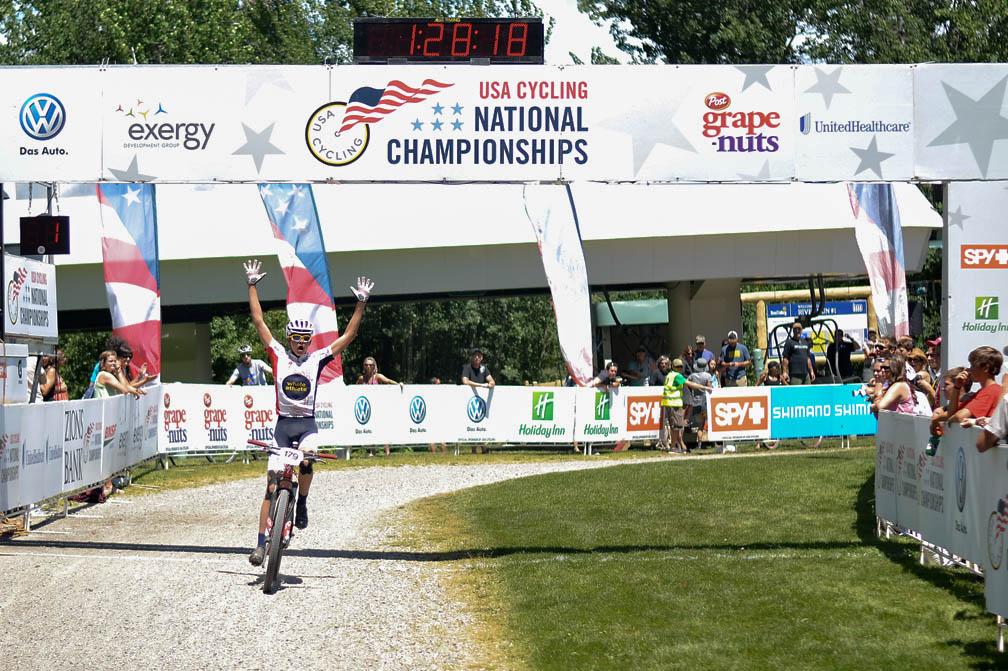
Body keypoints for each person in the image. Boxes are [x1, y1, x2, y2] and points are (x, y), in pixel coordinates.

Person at [243, 258, 374, 567]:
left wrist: (360, 304)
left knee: (307, 462)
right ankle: (261, 544)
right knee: (272, 483)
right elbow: (259, 322)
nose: (301, 344)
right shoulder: (277, 354)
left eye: (305, 339)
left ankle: (301, 503)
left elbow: (348, 338)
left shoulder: (316, 359)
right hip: (282, 426)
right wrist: (251, 286)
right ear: (289, 339)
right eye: (296, 339)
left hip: (307, 427)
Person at [943, 346, 1004, 427]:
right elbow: (951, 413)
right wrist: (957, 387)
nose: (969, 370)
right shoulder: (982, 391)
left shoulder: (991, 391)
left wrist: (949, 420)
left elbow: (959, 417)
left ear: (986, 368)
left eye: (973, 366)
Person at [356, 356, 401, 456]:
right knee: (368, 429)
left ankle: (387, 452)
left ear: (374, 366)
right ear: (363, 366)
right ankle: (372, 451)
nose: (368, 367)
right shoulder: (361, 379)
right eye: (366, 365)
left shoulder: (378, 377)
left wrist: (398, 384)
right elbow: (355, 391)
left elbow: (388, 381)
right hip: (366, 408)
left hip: (378, 407)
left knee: (383, 429)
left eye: (371, 365)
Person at [686, 357, 715, 443]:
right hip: (704, 403)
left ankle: (699, 442)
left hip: (695, 402)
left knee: (698, 423)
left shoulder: (692, 376)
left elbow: (686, 385)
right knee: (703, 424)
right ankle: (701, 442)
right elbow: (710, 388)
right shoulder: (708, 376)